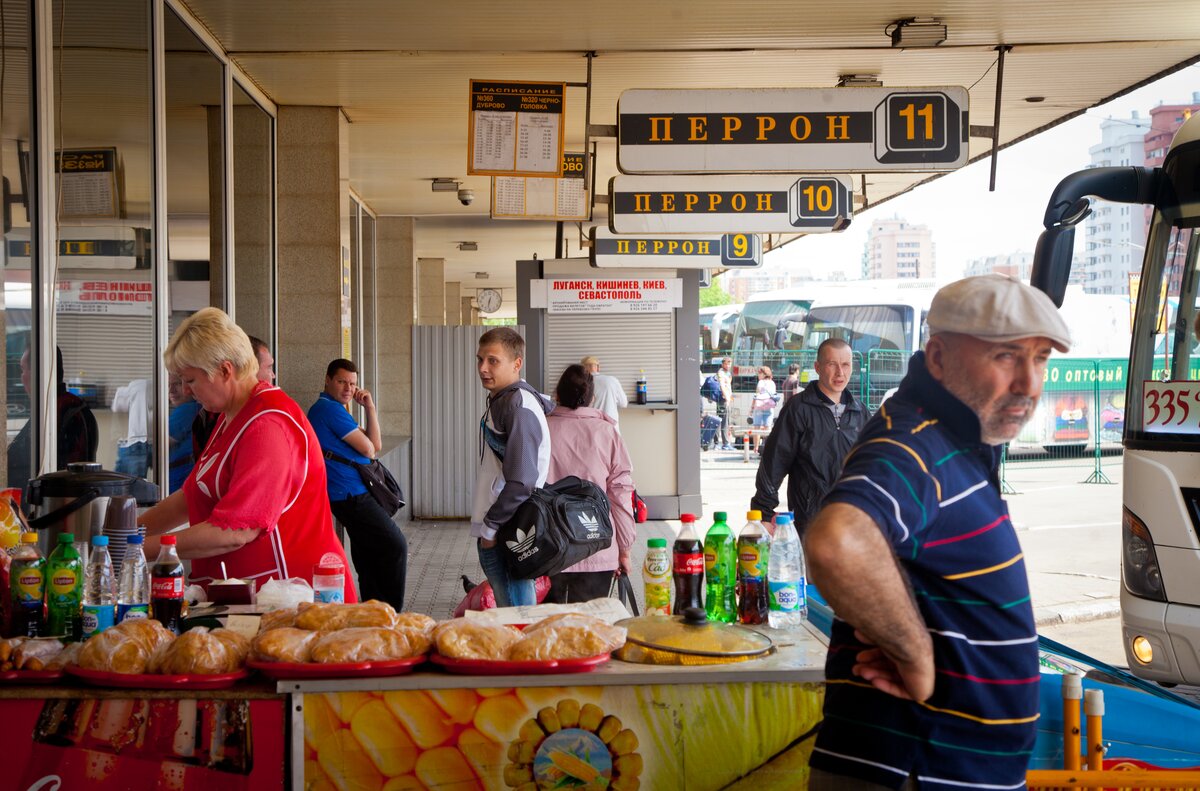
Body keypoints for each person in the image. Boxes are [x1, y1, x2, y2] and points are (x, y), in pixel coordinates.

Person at [804, 275, 1072, 789]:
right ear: (938, 357)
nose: (1031, 384)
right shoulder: (913, 443)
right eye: (1006, 357)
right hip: (917, 769)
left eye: (1040, 359)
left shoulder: (961, 434)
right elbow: (839, 541)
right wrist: (916, 655)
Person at [137, 308, 356, 600]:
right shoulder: (230, 415)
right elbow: (191, 497)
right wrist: (124, 534)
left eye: (191, 380)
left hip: (291, 598)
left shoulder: (268, 424)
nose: (187, 391)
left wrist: (138, 549)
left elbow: (236, 531)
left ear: (226, 370)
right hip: (249, 595)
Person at [309, 358, 407, 610]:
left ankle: (374, 610)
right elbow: (370, 450)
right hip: (350, 493)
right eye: (342, 381)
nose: (348, 389)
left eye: (352, 384)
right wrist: (368, 443)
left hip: (349, 493)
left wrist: (370, 408)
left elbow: (376, 443)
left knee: (368, 552)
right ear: (327, 380)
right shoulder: (327, 409)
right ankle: (391, 611)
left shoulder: (337, 411)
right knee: (395, 544)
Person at [473, 327, 554, 607]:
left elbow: (521, 480)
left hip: (511, 529)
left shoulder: (518, 406)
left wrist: (490, 528)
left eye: (493, 360)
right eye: (480, 359)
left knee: (517, 618)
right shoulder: (507, 399)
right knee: (514, 616)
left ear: (516, 363)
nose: (483, 368)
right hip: (506, 524)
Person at [751, 339, 866, 535]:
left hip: (853, 520)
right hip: (810, 521)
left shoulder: (859, 411)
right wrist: (763, 512)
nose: (840, 372)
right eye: (832, 364)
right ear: (818, 367)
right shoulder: (798, 409)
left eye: (846, 364)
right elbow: (774, 463)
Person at [544, 364, 635, 603]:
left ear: (557, 394)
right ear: (592, 398)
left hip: (548, 549)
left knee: (549, 630)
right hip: (598, 548)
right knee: (590, 630)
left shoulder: (541, 429)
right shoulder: (607, 433)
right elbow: (621, 494)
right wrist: (624, 549)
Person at [7, 344, 98, 491]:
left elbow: (71, 476)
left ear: (39, 372)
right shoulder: (49, 408)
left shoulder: (68, 411)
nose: (21, 377)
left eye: (23, 369)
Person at [191, 333, 273, 459]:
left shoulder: (268, 416)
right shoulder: (210, 416)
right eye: (268, 368)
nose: (273, 375)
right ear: (250, 368)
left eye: (190, 380)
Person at [167, 373, 201, 493]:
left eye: (177, 384)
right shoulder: (193, 408)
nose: (171, 390)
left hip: (176, 482)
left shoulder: (187, 409)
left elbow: (160, 444)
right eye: (168, 385)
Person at [112, 379, 150, 478]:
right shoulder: (160, 384)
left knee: (124, 484)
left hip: (135, 439)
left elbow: (118, 407)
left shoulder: (135, 385)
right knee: (136, 484)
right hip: (150, 440)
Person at [580, 356, 628, 429]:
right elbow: (624, 403)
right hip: (611, 429)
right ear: (598, 367)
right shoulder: (612, 380)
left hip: (590, 429)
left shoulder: (580, 384)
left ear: (583, 369)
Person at [749, 365, 776, 454]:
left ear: (764, 374)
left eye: (759, 373)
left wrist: (752, 408)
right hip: (769, 408)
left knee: (757, 428)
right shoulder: (772, 383)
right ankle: (767, 448)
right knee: (767, 429)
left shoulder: (760, 382)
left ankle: (756, 449)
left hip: (759, 408)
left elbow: (756, 396)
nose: (758, 375)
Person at [717, 357, 734, 450]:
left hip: (726, 399)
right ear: (722, 364)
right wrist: (727, 398)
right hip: (723, 399)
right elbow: (722, 386)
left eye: (729, 363)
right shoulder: (721, 373)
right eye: (726, 363)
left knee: (724, 421)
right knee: (723, 421)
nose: (728, 365)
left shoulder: (727, 373)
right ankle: (725, 443)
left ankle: (723, 443)